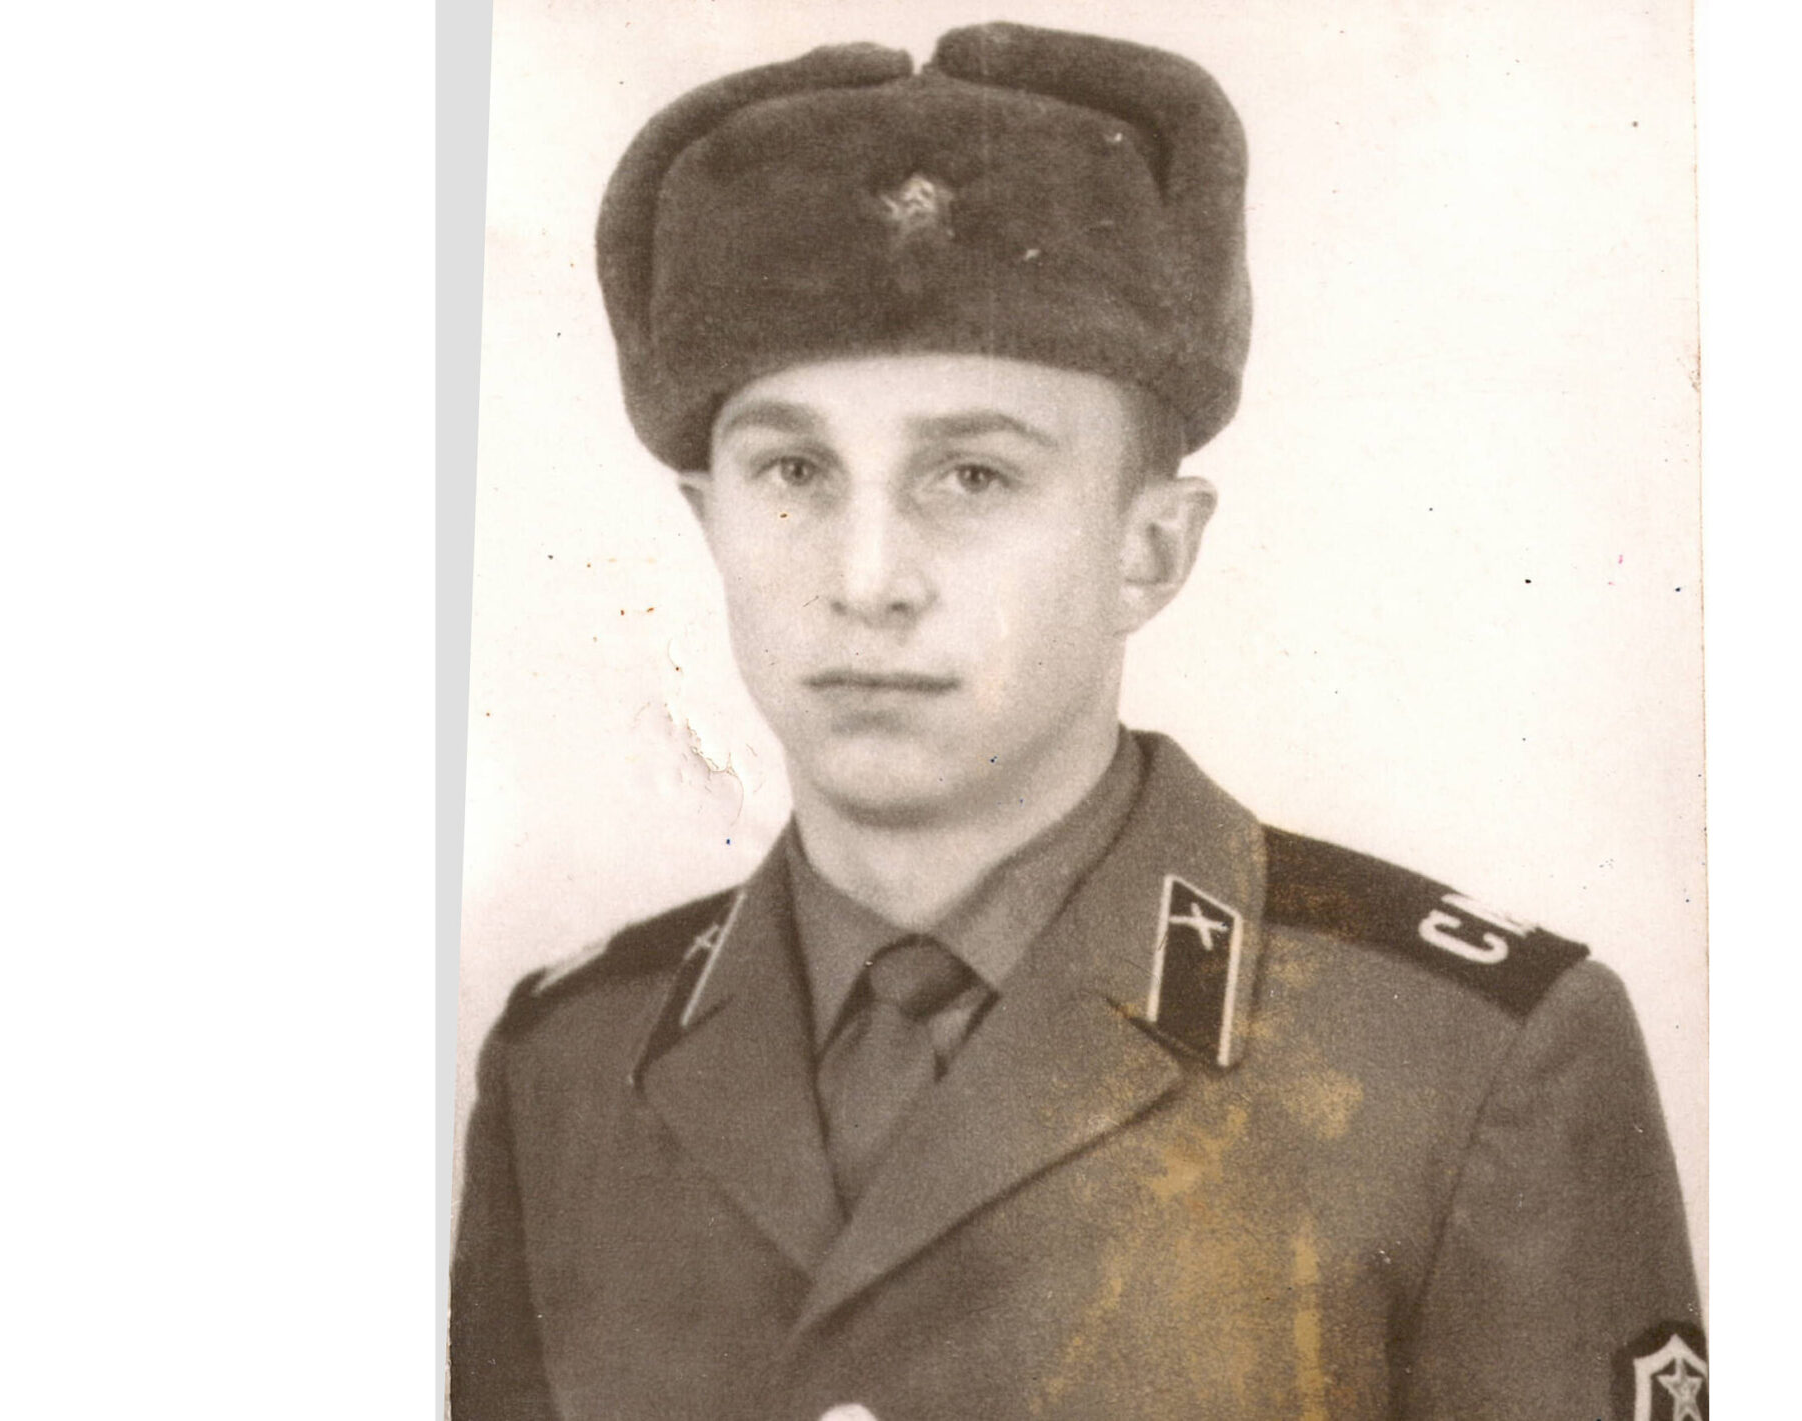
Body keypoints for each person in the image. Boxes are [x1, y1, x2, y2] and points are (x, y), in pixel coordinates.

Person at [451, 22, 1704, 1421]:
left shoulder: (1464, 1065)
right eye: (794, 471)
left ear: (1150, 552)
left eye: (973, 477)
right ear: (709, 522)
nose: (867, 580)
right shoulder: (567, 1065)